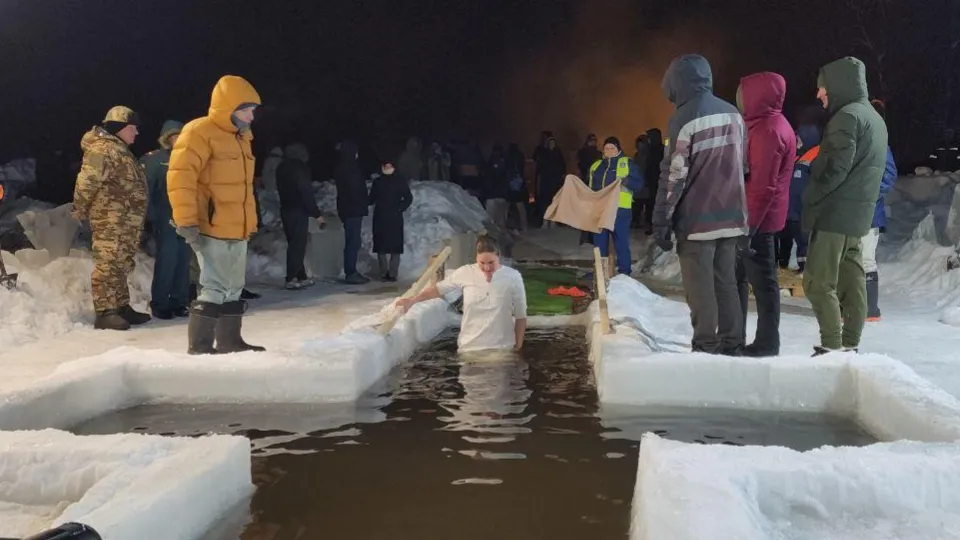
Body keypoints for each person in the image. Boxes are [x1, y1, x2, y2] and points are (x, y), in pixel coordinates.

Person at [652, 54, 748, 355]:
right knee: (727, 283)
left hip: (698, 220)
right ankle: (732, 343)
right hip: (733, 216)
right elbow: (742, 165)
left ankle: (705, 345)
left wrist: (661, 220)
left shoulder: (684, 119)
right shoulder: (734, 113)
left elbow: (674, 175)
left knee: (700, 286)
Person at [168, 75, 265, 355]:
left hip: (237, 226)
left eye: (253, 111)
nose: (251, 117)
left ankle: (229, 341)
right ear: (230, 108)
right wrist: (186, 221)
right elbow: (181, 178)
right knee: (214, 286)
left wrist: (250, 221)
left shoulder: (241, 137)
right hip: (211, 226)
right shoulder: (199, 131)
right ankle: (199, 346)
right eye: (247, 110)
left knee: (234, 286)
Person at [802, 57, 888, 356]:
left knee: (817, 281)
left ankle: (831, 346)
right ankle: (850, 344)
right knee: (852, 280)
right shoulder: (873, 118)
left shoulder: (847, 117)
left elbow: (834, 168)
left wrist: (811, 192)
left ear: (837, 85)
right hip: (858, 215)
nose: (819, 94)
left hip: (835, 214)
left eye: (822, 87)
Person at [735, 72, 797, 357]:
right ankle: (736, 336)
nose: (739, 98)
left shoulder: (768, 130)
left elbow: (762, 186)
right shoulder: (764, 125)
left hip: (757, 220)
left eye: (743, 93)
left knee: (761, 282)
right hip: (756, 217)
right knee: (744, 277)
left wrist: (748, 228)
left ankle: (767, 342)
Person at [73, 106, 149, 331]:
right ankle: (105, 312)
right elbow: (87, 181)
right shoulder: (102, 149)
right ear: (121, 128)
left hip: (125, 220)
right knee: (108, 262)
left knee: (121, 262)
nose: (136, 133)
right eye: (133, 128)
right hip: (110, 219)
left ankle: (120, 306)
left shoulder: (119, 149)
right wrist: (80, 208)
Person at [395, 236, 527, 352]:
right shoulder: (466, 273)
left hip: (502, 349)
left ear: (498, 256)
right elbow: (439, 289)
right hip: (470, 348)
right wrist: (412, 300)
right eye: (482, 263)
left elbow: (521, 315)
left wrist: (518, 347)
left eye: (491, 263)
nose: (487, 268)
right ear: (476, 258)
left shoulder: (512, 277)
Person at [141, 120, 190, 320]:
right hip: (165, 218)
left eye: (181, 136)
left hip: (186, 219)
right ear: (167, 139)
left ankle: (180, 301)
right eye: (174, 137)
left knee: (183, 262)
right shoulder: (155, 160)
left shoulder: (190, 159)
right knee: (167, 261)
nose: (178, 140)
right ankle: (160, 303)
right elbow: (146, 191)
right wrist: (152, 218)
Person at [589, 137, 644, 275]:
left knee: (621, 243)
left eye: (612, 148)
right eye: (606, 148)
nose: (609, 151)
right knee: (599, 243)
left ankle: (624, 273)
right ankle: (600, 273)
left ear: (618, 149)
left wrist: (626, 181)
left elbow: (639, 184)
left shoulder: (626, 163)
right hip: (601, 211)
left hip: (620, 211)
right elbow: (590, 188)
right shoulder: (596, 166)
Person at [864, 99, 899, 322]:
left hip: (870, 216)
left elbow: (889, 176)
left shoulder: (880, 145)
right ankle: (853, 305)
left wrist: (869, 196)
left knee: (866, 260)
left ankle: (870, 310)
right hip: (855, 214)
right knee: (852, 260)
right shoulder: (859, 143)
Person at [276, 143, 324, 290]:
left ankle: (300, 275)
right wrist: (316, 214)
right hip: (298, 210)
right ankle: (290, 278)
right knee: (298, 245)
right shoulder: (300, 169)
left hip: (286, 209)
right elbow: (306, 192)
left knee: (294, 243)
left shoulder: (281, 167)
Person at [779, 124, 821, 272]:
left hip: (805, 210)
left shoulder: (816, 157)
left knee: (805, 241)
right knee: (789, 239)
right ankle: (788, 268)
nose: (796, 143)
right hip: (791, 210)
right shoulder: (797, 157)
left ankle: (807, 271)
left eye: (799, 140)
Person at [369, 161, 413, 281]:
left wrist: (400, 207)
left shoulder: (399, 181)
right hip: (382, 217)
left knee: (394, 247)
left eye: (390, 166)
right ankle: (384, 273)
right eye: (385, 166)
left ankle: (392, 273)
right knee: (382, 247)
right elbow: (371, 198)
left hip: (393, 217)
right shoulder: (378, 182)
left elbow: (408, 197)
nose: (387, 168)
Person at [335, 140, 371, 284]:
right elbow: (355, 190)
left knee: (352, 240)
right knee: (353, 241)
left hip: (346, 208)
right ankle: (351, 272)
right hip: (353, 210)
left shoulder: (341, 167)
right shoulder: (351, 168)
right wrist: (364, 202)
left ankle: (351, 270)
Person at [535, 136, 566, 227]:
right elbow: (539, 168)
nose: (552, 144)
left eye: (553, 142)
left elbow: (562, 167)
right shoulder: (544, 154)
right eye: (550, 143)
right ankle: (545, 221)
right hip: (546, 182)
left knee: (554, 202)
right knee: (545, 202)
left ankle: (553, 221)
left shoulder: (558, 154)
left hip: (555, 182)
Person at [642, 129, 665, 235]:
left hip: (658, 182)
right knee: (651, 205)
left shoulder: (660, 150)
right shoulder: (651, 149)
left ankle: (657, 228)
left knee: (656, 206)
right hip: (653, 182)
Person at [483, 144, 510, 231]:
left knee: (491, 221)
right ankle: (502, 237)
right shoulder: (505, 164)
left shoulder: (490, 163)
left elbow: (488, 180)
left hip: (491, 196)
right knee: (501, 221)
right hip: (502, 196)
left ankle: (493, 238)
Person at [505, 143, 529, 232]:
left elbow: (506, 169)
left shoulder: (508, 156)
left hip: (511, 182)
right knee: (520, 206)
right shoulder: (520, 156)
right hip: (519, 182)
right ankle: (524, 225)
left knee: (507, 206)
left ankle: (504, 225)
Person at [632, 134, 649, 228]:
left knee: (646, 204)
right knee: (637, 205)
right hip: (639, 184)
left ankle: (645, 222)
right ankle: (636, 221)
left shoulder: (649, 155)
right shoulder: (637, 155)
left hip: (646, 184)